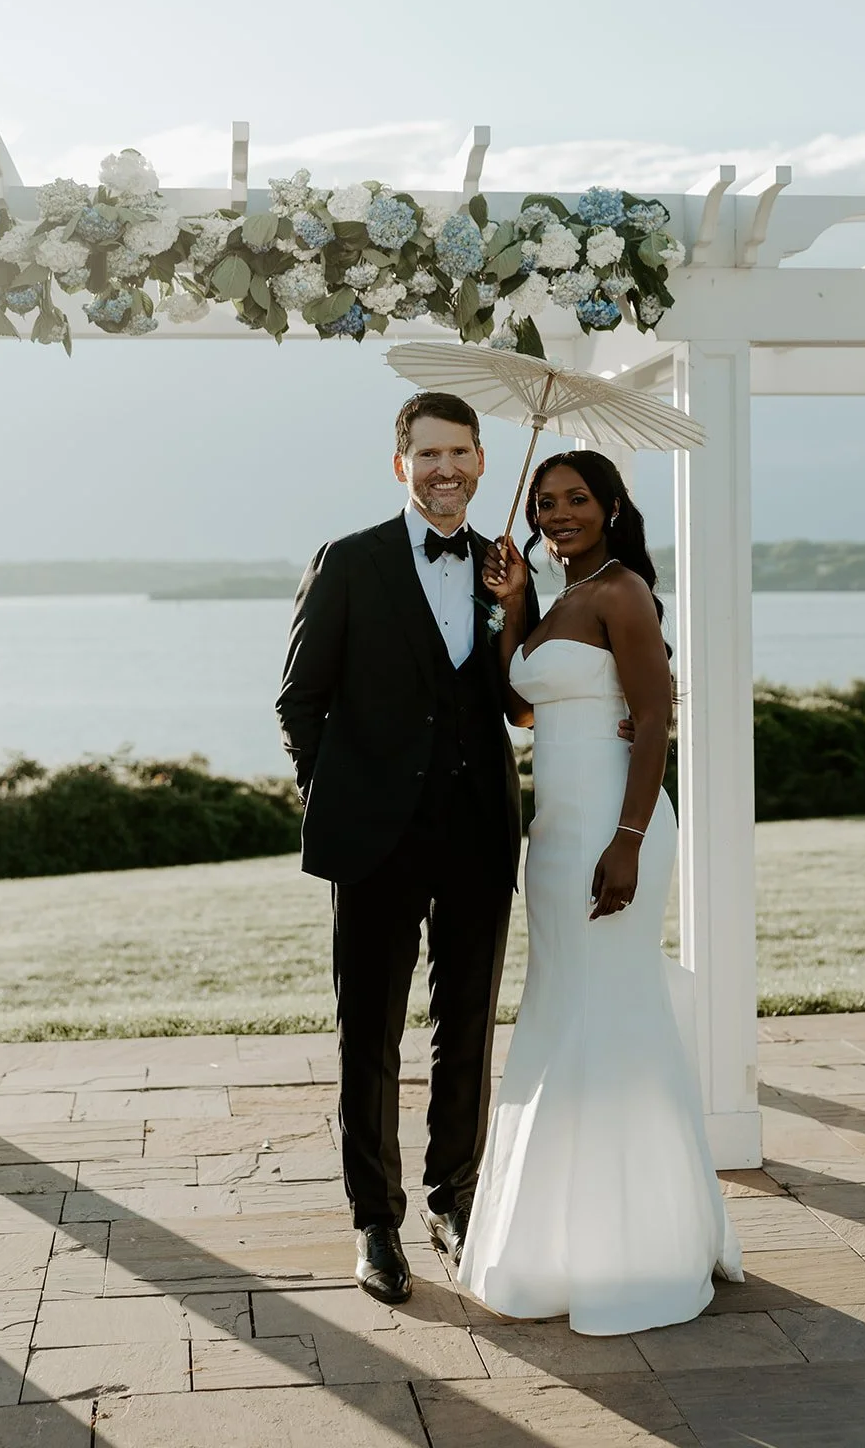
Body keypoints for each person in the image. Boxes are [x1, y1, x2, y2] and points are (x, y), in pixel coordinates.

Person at [456, 449, 743, 1336]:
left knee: (610, 1013)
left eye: (576, 499)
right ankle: (559, 1240)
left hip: (614, 830)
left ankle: (636, 1245)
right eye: (545, 503)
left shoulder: (622, 593)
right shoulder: (558, 601)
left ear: (612, 506)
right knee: (559, 1014)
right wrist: (511, 609)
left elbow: (654, 716)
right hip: (555, 836)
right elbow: (520, 705)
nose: (556, 514)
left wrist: (626, 841)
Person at [275, 392, 540, 1306]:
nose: (445, 469)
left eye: (460, 452)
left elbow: (519, 701)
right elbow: (298, 701)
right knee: (370, 1035)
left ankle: (452, 1198)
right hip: (373, 838)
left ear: (480, 461)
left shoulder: (506, 567)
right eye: (428, 453)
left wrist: (515, 611)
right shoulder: (348, 562)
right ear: (402, 466)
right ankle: (375, 1221)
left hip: (476, 830)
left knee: (466, 1025)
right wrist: (339, 798)